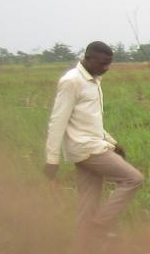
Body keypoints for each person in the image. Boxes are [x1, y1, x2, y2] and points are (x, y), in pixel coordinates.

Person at [44, 41, 144, 239]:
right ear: (87, 58)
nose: (105, 68)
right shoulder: (72, 81)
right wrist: (51, 159)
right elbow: (57, 121)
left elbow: (89, 121)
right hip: (86, 149)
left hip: (91, 145)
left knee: (87, 205)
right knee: (133, 179)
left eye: (109, 64)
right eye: (102, 63)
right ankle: (99, 225)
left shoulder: (94, 79)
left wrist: (112, 142)